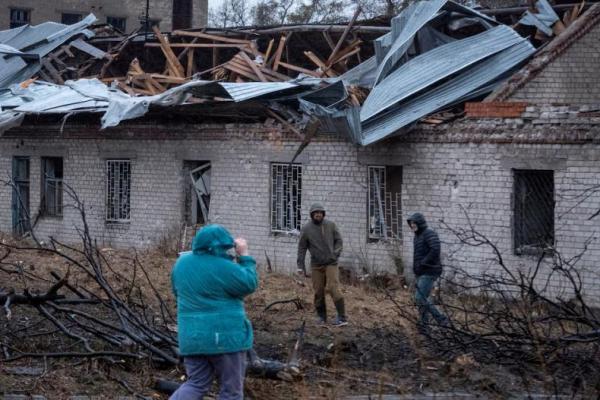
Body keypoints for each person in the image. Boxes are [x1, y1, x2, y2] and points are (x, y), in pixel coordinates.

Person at [170, 224, 258, 400]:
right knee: (231, 391)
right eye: (226, 247)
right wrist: (245, 256)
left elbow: (176, 291)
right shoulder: (224, 267)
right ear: (220, 246)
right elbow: (249, 283)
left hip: (191, 338)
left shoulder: (181, 264)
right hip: (225, 338)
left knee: (196, 384)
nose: (227, 252)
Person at [297, 203, 347, 326]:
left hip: (331, 263)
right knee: (318, 291)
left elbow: (339, 241)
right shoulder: (307, 229)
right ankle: (321, 317)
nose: (318, 214)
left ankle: (342, 317)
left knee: (333, 288)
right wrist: (300, 266)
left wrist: (335, 254)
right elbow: (302, 248)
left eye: (320, 212)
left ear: (323, 214)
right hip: (316, 265)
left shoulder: (330, 225)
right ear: (312, 215)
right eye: (315, 212)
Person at [407, 213, 449, 333]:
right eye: (411, 223)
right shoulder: (417, 237)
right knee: (423, 299)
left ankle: (442, 319)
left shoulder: (429, 234)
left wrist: (423, 263)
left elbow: (435, 249)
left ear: (420, 222)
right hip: (421, 272)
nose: (412, 225)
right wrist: (416, 268)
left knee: (419, 298)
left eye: (414, 223)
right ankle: (424, 326)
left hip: (430, 270)